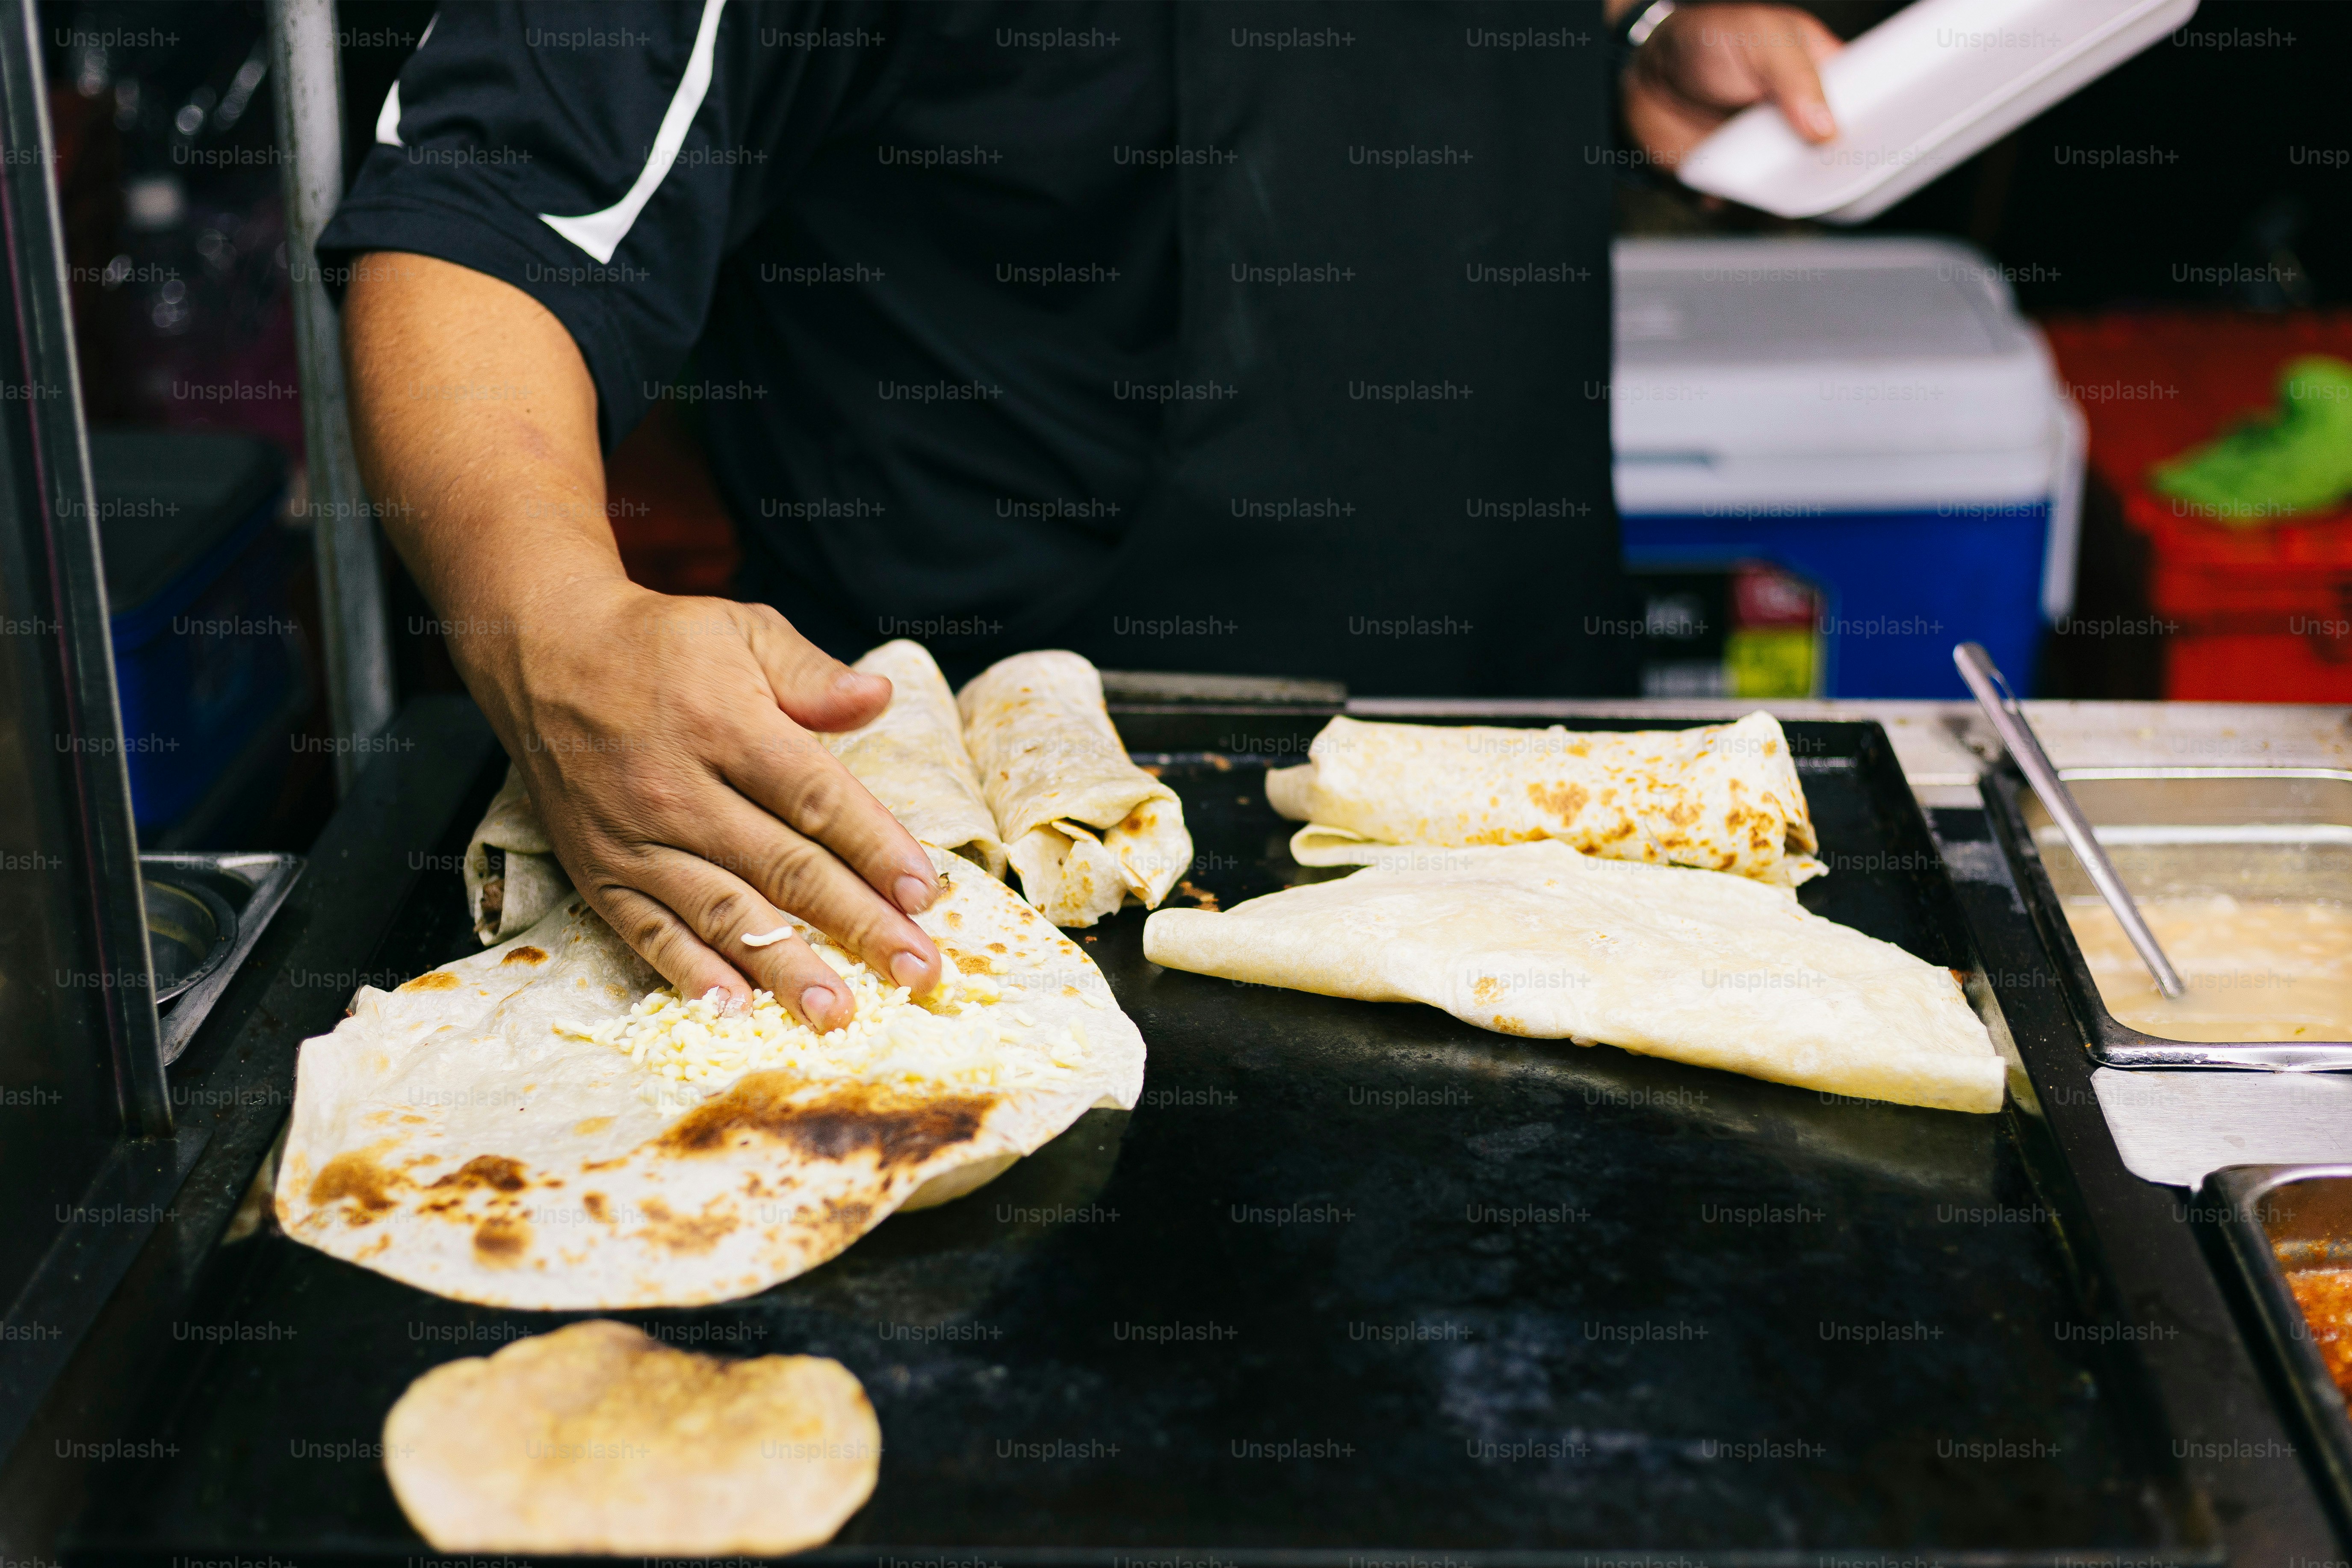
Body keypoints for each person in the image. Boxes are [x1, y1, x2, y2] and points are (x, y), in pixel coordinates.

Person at [322, 0, 1842, 1029]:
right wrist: (555, 629)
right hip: (998, 864)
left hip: (1526, 732)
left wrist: (1627, 40)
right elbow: (486, 215)